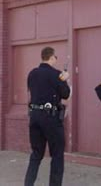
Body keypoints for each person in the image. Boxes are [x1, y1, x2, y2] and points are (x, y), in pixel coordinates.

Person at [24, 47, 70, 186]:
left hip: (35, 116)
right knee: (57, 155)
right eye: (55, 57)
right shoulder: (57, 74)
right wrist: (65, 79)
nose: (56, 59)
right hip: (51, 118)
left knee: (36, 154)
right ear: (51, 57)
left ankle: (28, 184)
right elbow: (66, 94)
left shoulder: (32, 73)